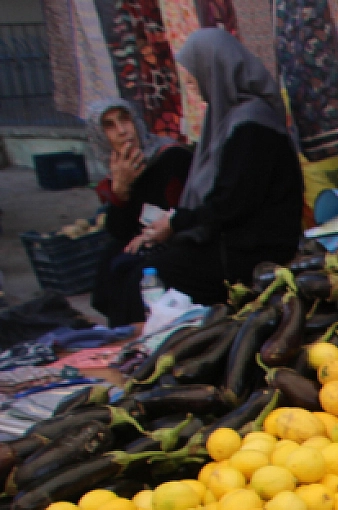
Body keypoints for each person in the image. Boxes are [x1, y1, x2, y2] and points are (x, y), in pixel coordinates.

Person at [101, 29, 304, 325]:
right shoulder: (229, 119)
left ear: (215, 70)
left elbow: (232, 203)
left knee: (148, 277)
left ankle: (144, 353)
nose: (193, 84)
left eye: (196, 74)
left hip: (251, 249)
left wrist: (175, 223)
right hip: (230, 239)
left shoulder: (252, 125)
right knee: (122, 265)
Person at [88, 99, 192, 323]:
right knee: (109, 260)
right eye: (110, 125)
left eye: (125, 120)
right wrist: (121, 190)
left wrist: (152, 233)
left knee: (136, 275)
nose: (122, 131)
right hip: (146, 240)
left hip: (180, 235)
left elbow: (189, 207)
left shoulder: (170, 156)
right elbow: (120, 230)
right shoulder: (118, 168)